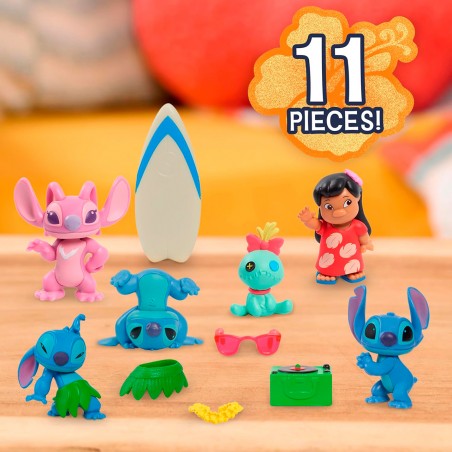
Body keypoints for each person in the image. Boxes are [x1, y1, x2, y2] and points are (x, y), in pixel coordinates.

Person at [298, 170, 373, 284]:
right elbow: (315, 224)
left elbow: (364, 237)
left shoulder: (358, 226)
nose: (338, 212)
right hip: (328, 260)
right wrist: (308, 220)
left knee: (353, 264)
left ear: (357, 199)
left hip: (352, 259)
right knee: (328, 265)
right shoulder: (325, 226)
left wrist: (366, 244)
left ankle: (352, 271)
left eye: (347, 202)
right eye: (328, 206)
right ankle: (327, 272)